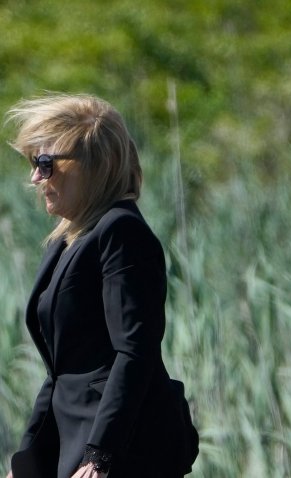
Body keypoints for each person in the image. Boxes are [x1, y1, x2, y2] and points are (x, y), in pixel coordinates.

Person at [4, 94, 199, 478]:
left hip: (123, 450)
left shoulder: (121, 232)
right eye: (33, 163)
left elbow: (134, 352)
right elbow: (61, 372)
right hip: (74, 443)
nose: (35, 178)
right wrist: (26, 463)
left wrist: (100, 456)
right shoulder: (68, 240)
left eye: (46, 164)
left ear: (93, 164)